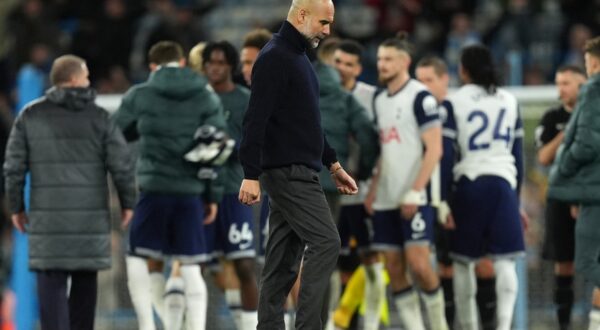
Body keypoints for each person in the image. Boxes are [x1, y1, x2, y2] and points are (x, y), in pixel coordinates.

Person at [238, 0, 358, 329]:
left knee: (281, 264)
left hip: (299, 170)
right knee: (326, 241)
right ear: (301, 16)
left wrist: (332, 163)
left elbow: (306, 122)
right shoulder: (276, 57)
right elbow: (255, 120)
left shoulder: (296, 57)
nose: (328, 30)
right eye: (323, 22)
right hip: (289, 174)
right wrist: (250, 174)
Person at [3, 54, 136, 330]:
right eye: (86, 76)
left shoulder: (30, 115)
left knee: (50, 288)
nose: (89, 81)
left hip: (47, 222)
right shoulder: (100, 118)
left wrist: (16, 207)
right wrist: (128, 203)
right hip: (90, 220)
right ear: (75, 79)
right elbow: (122, 166)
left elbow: (13, 167)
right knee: (85, 289)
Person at [114, 40, 227, 330]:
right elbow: (219, 145)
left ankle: (146, 325)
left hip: (153, 190)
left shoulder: (141, 95)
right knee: (191, 265)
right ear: (182, 63)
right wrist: (212, 195)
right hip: (190, 192)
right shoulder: (204, 96)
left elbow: (115, 134)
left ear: (152, 66)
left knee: (138, 256)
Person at [365, 34, 447, 330]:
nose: (381, 65)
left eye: (388, 59)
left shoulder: (420, 97)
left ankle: (439, 326)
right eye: (379, 59)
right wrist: (374, 190)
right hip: (387, 196)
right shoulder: (379, 99)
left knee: (420, 265)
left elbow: (435, 148)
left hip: (416, 196)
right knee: (394, 268)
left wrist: (415, 191)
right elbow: (383, 151)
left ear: (405, 62)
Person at [444, 44, 525, 330]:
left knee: (464, 261)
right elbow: (517, 156)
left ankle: (469, 325)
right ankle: (504, 326)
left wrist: (444, 200)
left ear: (463, 70)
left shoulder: (455, 101)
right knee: (506, 262)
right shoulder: (509, 100)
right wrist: (516, 200)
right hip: (503, 185)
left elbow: (446, 155)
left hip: (470, 183)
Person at [416, 55, 500, 330]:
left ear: (445, 80)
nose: (424, 86)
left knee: (483, 264)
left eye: (429, 80)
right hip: (438, 200)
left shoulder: (457, 109)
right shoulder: (419, 116)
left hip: (469, 197)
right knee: (446, 267)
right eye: (420, 81)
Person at [202, 40, 259, 330]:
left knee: (244, 265)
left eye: (221, 62)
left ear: (231, 66)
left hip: (236, 192)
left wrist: (227, 146)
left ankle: (250, 325)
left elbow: (257, 143)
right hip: (200, 195)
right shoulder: (196, 99)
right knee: (199, 267)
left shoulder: (246, 100)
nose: (215, 67)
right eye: (210, 61)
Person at [330, 39, 387, 330]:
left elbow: (380, 147)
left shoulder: (372, 98)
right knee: (337, 266)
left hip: (363, 195)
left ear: (359, 69)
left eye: (348, 64)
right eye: (338, 61)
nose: (341, 68)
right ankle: (340, 323)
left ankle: (374, 324)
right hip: (330, 195)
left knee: (372, 260)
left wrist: (372, 187)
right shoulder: (322, 94)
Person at [548, 36, 600, 330]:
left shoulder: (593, 90)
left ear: (593, 63)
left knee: (586, 262)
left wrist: (563, 167)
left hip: (594, 193)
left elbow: (587, 145)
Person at [536, 65, 586, 330]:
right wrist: (565, 136)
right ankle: (564, 325)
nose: (560, 89)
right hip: (560, 199)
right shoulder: (551, 117)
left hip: (591, 199)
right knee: (563, 265)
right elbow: (543, 157)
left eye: (566, 83)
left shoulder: (594, 114)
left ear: (582, 83)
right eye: (558, 83)